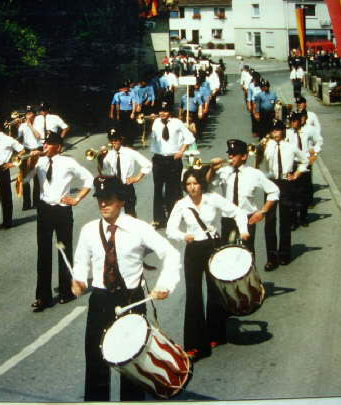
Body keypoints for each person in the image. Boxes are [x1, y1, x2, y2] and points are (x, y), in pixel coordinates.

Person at [72, 175, 181, 401]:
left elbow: (170, 253)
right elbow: (81, 261)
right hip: (100, 301)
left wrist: (165, 285)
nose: (103, 204)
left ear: (121, 200)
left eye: (108, 199)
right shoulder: (89, 231)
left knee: (131, 364)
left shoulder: (138, 228)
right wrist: (79, 279)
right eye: (100, 199)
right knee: (95, 360)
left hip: (131, 300)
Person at [166, 168, 249, 361]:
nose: (192, 188)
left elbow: (237, 212)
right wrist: (183, 235)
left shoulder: (213, 198)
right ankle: (195, 345)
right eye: (188, 184)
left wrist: (243, 230)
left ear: (201, 184)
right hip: (194, 249)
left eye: (195, 183)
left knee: (215, 290)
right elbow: (170, 229)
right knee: (194, 294)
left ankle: (216, 335)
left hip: (213, 246)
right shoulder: (182, 204)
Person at [24, 131, 93, 312]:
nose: (44, 146)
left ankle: (66, 292)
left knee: (63, 250)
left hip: (62, 211)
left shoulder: (68, 162)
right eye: (44, 144)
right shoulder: (39, 162)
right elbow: (24, 179)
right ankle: (43, 297)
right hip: (45, 210)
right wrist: (30, 160)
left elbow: (89, 178)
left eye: (48, 144)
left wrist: (76, 198)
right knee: (43, 253)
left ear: (58, 147)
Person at [207, 139, 279, 256]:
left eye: (234, 154)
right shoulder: (224, 172)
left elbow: (274, 191)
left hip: (247, 217)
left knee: (247, 253)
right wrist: (211, 169)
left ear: (244, 156)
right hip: (228, 218)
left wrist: (262, 211)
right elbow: (208, 186)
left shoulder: (254, 174)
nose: (230, 157)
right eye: (229, 154)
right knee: (226, 253)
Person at [260, 121, 309, 271]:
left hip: (285, 183)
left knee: (285, 220)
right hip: (271, 182)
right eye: (273, 130)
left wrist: (296, 174)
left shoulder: (290, 147)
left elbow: (305, 160)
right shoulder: (267, 146)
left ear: (283, 132)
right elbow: (260, 162)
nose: (275, 133)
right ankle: (271, 258)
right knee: (270, 221)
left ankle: (284, 254)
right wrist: (261, 148)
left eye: (278, 130)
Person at [150, 101, 195, 229]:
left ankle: (171, 217)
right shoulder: (155, 122)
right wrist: (151, 121)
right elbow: (154, 138)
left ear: (169, 112)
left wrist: (181, 151)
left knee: (172, 189)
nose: (162, 113)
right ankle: (159, 219)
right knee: (158, 189)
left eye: (164, 111)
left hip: (173, 159)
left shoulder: (177, 123)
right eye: (160, 111)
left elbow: (190, 138)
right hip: (158, 159)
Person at [99, 128, 152, 217]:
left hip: (126, 186)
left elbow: (147, 164)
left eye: (116, 140)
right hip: (115, 187)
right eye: (111, 141)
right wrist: (101, 157)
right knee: (114, 213)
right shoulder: (110, 154)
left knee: (130, 212)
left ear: (120, 140)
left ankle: (134, 229)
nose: (113, 143)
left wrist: (136, 178)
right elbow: (103, 168)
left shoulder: (129, 152)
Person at [286, 112, 323, 227]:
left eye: (294, 121)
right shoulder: (288, 132)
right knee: (293, 192)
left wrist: (315, 152)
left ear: (299, 121)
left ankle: (303, 217)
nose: (292, 123)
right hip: (293, 164)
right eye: (290, 121)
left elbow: (319, 140)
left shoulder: (309, 130)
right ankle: (293, 219)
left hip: (305, 163)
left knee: (304, 192)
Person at [17, 105, 44, 210]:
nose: (27, 115)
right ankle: (26, 203)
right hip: (27, 151)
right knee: (25, 177)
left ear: (34, 115)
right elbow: (18, 138)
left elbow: (39, 136)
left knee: (37, 177)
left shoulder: (38, 125)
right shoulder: (22, 126)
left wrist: (30, 126)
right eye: (26, 113)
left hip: (37, 150)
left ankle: (36, 202)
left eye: (29, 113)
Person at [109, 81, 136, 146]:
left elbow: (133, 103)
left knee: (129, 127)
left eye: (127, 87)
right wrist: (114, 113)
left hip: (129, 112)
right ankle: (121, 141)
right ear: (120, 89)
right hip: (121, 112)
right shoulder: (117, 94)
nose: (126, 89)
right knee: (121, 127)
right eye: (124, 88)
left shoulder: (131, 94)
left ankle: (129, 142)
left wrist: (133, 113)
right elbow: (115, 104)